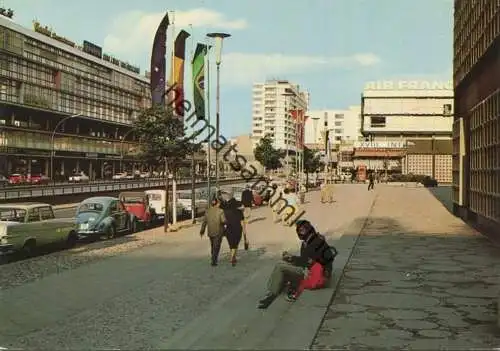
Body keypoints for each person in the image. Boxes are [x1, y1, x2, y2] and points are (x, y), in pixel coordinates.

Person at [257, 220, 336, 309]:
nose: (299, 233)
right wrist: (291, 258)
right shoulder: (311, 240)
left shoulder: (314, 243)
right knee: (283, 263)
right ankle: (278, 285)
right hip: (313, 270)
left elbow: (307, 262)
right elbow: (305, 259)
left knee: (280, 266)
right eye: (299, 230)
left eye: (301, 230)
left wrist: (291, 258)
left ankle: (272, 292)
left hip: (315, 275)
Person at [199, 197, 226, 266]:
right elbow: (223, 221)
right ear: (217, 204)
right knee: (216, 246)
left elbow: (204, 222)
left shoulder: (207, 211)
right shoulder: (221, 211)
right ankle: (214, 260)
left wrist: (202, 231)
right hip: (219, 231)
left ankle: (213, 257)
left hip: (210, 231)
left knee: (213, 245)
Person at [221, 197, 244, 266]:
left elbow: (222, 222)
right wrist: (245, 235)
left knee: (231, 244)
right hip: (238, 229)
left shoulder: (225, 212)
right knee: (235, 244)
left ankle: (232, 256)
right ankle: (233, 256)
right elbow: (242, 222)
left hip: (229, 229)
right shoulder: (239, 212)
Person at [241, 185, 253, 250]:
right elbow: (251, 198)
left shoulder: (243, 192)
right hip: (249, 204)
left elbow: (242, 198)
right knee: (249, 213)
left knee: (245, 212)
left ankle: (246, 219)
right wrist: (252, 201)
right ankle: (247, 220)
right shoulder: (250, 192)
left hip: (245, 204)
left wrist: (242, 203)